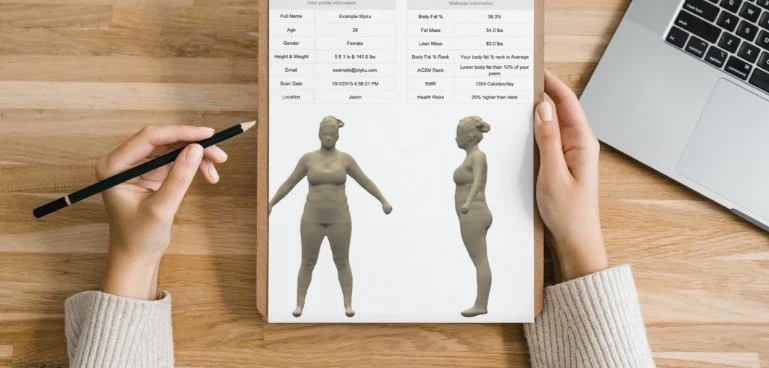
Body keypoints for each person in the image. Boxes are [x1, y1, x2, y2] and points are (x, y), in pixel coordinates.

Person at [63, 71, 654, 367]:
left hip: (350, 217)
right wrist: (578, 236)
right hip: (319, 218)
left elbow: (366, 181)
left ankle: (341, 299)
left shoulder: (347, 156)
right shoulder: (313, 156)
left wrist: (133, 258)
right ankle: (305, 300)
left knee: (343, 265)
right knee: (307, 267)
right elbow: (294, 179)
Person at [268, 115, 393, 318]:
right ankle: (299, 304)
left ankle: (348, 304)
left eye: (331, 135)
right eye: (324, 134)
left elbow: (366, 181)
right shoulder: (307, 159)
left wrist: (383, 200)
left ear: (337, 136)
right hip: (312, 218)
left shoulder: (346, 159)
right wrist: (271, 203)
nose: (328, 138)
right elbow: (289, 182)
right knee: (307, 261)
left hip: (340, 219)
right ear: (318, 135)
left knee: (342, 261)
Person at [454, 116, 493, 318]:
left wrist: (468, 202)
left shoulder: (478, 156)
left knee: (480, 260)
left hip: (474, 213)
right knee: (478, 259)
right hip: (471, 214)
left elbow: (478, 179)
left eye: (459, 134)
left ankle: (481, 304)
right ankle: (481, 303)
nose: (455, 138)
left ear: (469, 137)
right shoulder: (470, 157)